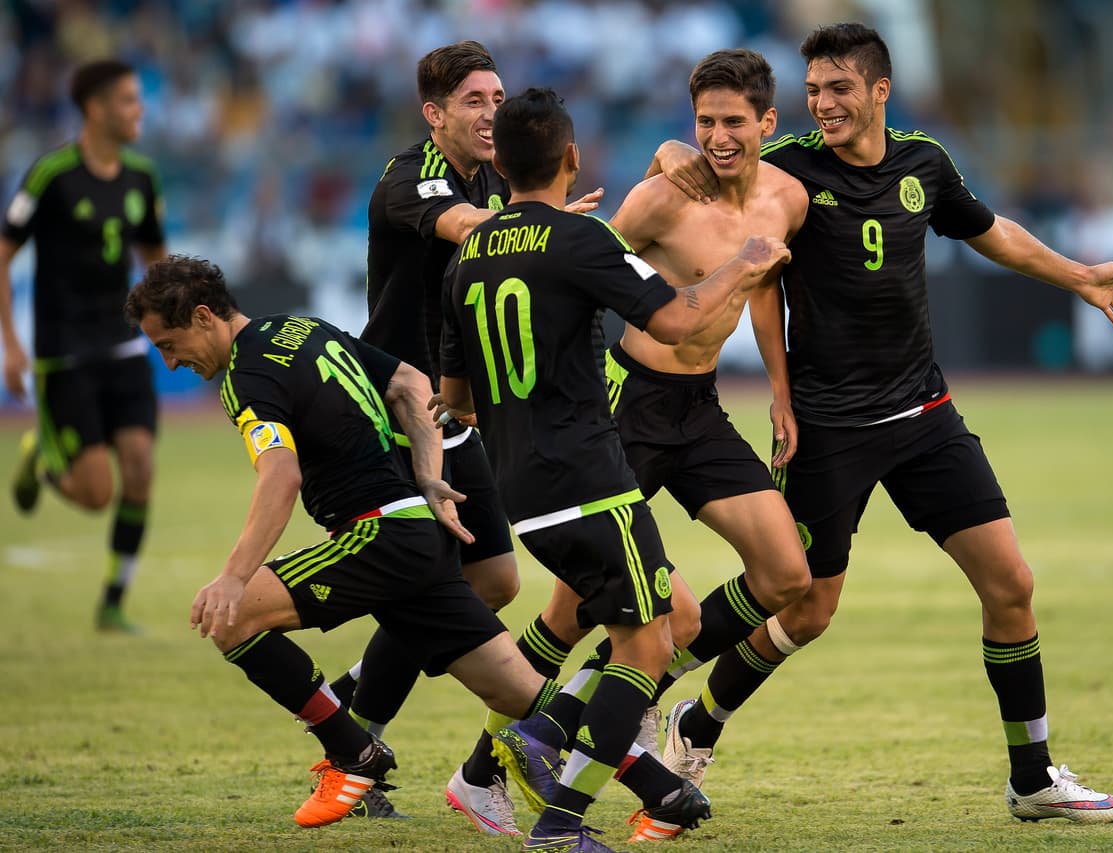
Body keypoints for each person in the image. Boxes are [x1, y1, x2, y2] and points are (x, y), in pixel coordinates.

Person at [651, 23, 1113, 824]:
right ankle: (680, 706)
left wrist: (1078, 274)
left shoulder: (926, 162)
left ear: (881, 90)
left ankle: (1033, 776)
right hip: (829, 428)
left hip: (924, 415)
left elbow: (997, 237)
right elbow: (732, 230)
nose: (824, 104)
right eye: (813, 91)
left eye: (839, 89)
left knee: (1012, 583)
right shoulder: (790, 173)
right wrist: (778, 391)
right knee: (804, 608)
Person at [438, 88, 790, 853]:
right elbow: (681, 317)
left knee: (677, 620)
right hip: (589, 473)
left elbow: (454, 400)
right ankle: (559, 823)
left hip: (519, 487)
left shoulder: (468, 254)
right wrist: (746, 263)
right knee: (645, 648)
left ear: (499, 164)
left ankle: (524, 767)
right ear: (570, 158)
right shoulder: (582, 239)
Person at [123, 255, 563, 829]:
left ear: (204, 316)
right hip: (415, 529)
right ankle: (657, 782)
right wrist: (428, 474)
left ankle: (353, 752)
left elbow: (281, 476)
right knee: (521, 691)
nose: (171, 361)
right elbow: (409, 382)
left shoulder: (246, 378)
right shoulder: (299, 327)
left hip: (374, 534)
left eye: (169, 342)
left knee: (231, 617)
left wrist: (233, 575)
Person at [337, 41, 604, 831]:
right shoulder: (409, 178)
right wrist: (547, 226)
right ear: (436, 114)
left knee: (491, 581)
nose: (493, 113)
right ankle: (354, 745)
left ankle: (346, 703)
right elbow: (464, 228)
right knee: (427, 584)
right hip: (391, 411)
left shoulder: (494, 178)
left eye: (498, 98)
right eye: (475, 101)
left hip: (451, 410)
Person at [2, 59, 166, 633]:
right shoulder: (50, 175)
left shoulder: (142, 176)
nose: (138, 110)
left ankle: (113, 600)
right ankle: (43, 462)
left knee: (141, 468)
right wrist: (13, 347)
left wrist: (173, 325)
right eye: (127, 100)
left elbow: (154, 260)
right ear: (95, 109)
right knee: (96, 493)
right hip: (63, 351)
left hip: (122, 343)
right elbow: (3, 254)